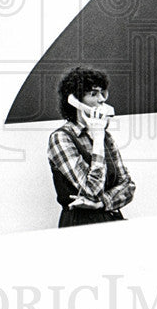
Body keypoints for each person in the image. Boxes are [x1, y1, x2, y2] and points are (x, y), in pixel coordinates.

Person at [47, 66, 135, 228]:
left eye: (103, 93)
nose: (101, 99)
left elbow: (128, 186)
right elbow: (91, 191)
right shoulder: (61, 138)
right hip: (80, 223)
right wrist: (98, 139)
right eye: (93, 94)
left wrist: (102, 203)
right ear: (75, 100)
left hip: (109, 217)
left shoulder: (105, 136)